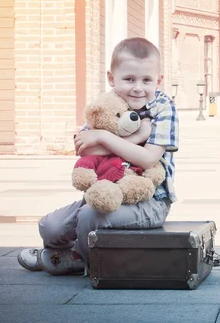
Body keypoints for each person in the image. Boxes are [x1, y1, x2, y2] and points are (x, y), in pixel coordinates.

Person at [17, 37, 179, 275]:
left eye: (147, 80)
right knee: (50, 226)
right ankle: (64, 250)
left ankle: (77, 258)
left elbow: (148, 159)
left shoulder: (163, 107)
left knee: (89, 216)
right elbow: (84, 148)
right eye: (129, 79)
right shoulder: (106, 104)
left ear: (159, 80)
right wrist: (135, 138)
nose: (138, 87)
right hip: (101, 192)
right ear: (112, 79)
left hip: (149, 202)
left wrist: (102, 137)